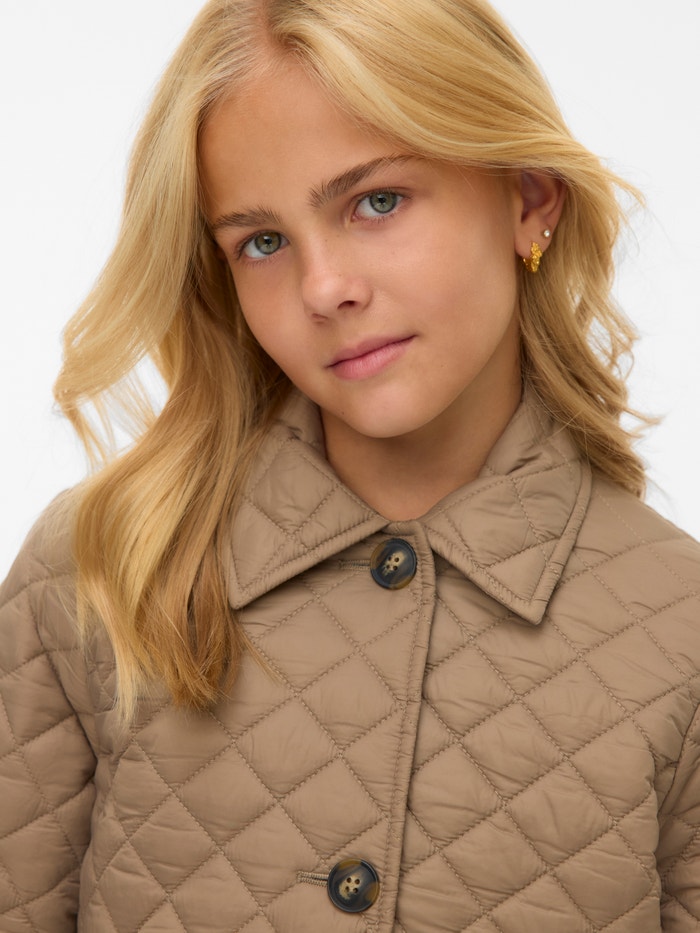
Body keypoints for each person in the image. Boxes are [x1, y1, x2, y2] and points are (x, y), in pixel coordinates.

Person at [1, 0, 698, 929]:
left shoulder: (682, 630)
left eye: (377, 201)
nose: (325, 287)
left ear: (529, 198)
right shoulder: (98, 570)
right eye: (262, 242)